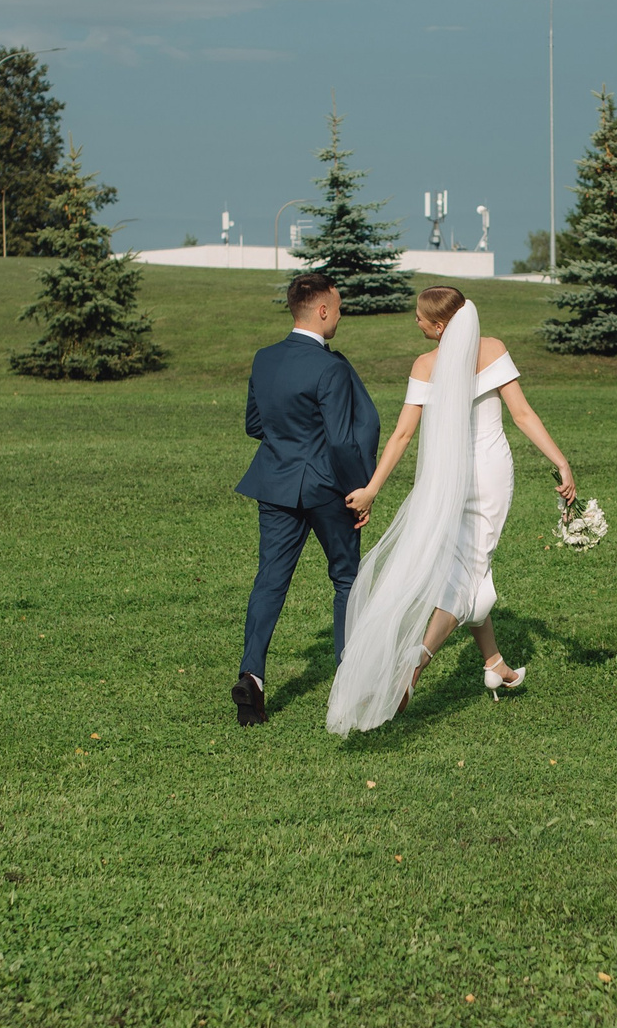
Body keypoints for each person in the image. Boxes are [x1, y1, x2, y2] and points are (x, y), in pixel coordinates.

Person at [326, 286, 576, 734]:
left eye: (421, 319)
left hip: (446, 479)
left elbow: (402, 436)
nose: (416, 324)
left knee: (467, 566)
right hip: (490, 475)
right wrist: (560, 461)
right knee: (467, 572)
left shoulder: (425, 365)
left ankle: (494, 663)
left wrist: (371, 490)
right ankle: (415, 666)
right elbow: (522, 415)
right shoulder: (493, 349)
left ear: (440, 326)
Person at [233, 273, 379, 727]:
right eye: (337, 307)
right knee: (346, 580)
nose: (340, 314)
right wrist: (361, 491)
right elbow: (340, 441)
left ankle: (252, 676)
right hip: (326, 487)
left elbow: (254, 424)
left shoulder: (264, 358)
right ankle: (347, 679)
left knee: (270, 580)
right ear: (320, 310)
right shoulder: (331, 368)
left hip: (274, 484)